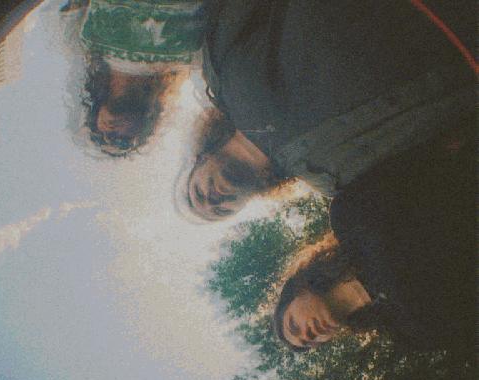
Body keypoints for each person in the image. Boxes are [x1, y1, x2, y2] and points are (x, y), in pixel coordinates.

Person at [180, 0, 475, 219]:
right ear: (245, 203)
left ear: (200, 159)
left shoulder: (221, 71)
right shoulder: (335, 184)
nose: (211, 201)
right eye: (221, 211)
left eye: (197, 194)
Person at [274, 115, 475, 354]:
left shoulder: (347, 217)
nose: (308, 335)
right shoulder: (412, 333)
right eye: (308, 343)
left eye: (294, 326)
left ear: (298, 290)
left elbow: (414, 163)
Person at [61, 0, 205, 156]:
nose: (110, 136)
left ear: (93, 119)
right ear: (146, 127)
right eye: (123, 142)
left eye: (100, 137)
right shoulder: (195, 59)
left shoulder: (76, 43)